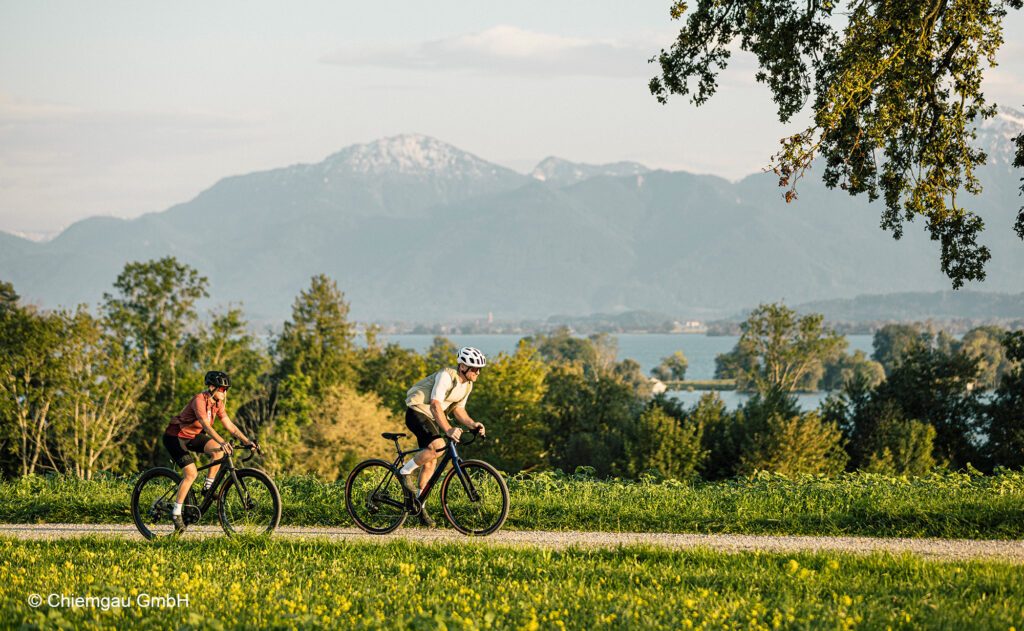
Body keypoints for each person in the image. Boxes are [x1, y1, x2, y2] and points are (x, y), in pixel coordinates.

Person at [399, 346, 487, 526]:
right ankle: (404, 471)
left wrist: (473, 424)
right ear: (463, 367)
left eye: (480, 369)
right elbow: (435, 405)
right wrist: (448, 430)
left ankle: (419, 507)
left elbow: (458, 410)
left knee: (431, 461)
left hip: (431, 418)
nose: (478, 372)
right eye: (475, 368)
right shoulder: (446, 376)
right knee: (437, 446)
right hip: (418, 411)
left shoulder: (467, 385)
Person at [162, 370, 258, 533]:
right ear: (212, 387)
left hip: (193, 436)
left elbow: (229, 425)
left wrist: (247, 441)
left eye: (226, 389)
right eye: (222, 389)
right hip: (175, 437)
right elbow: (206, 426)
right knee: (191, 474)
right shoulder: (199, 400)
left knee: (219, 451)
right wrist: (222, 441)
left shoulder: (218, 403)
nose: (224, 392)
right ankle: (176, 511)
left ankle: (208, 487)